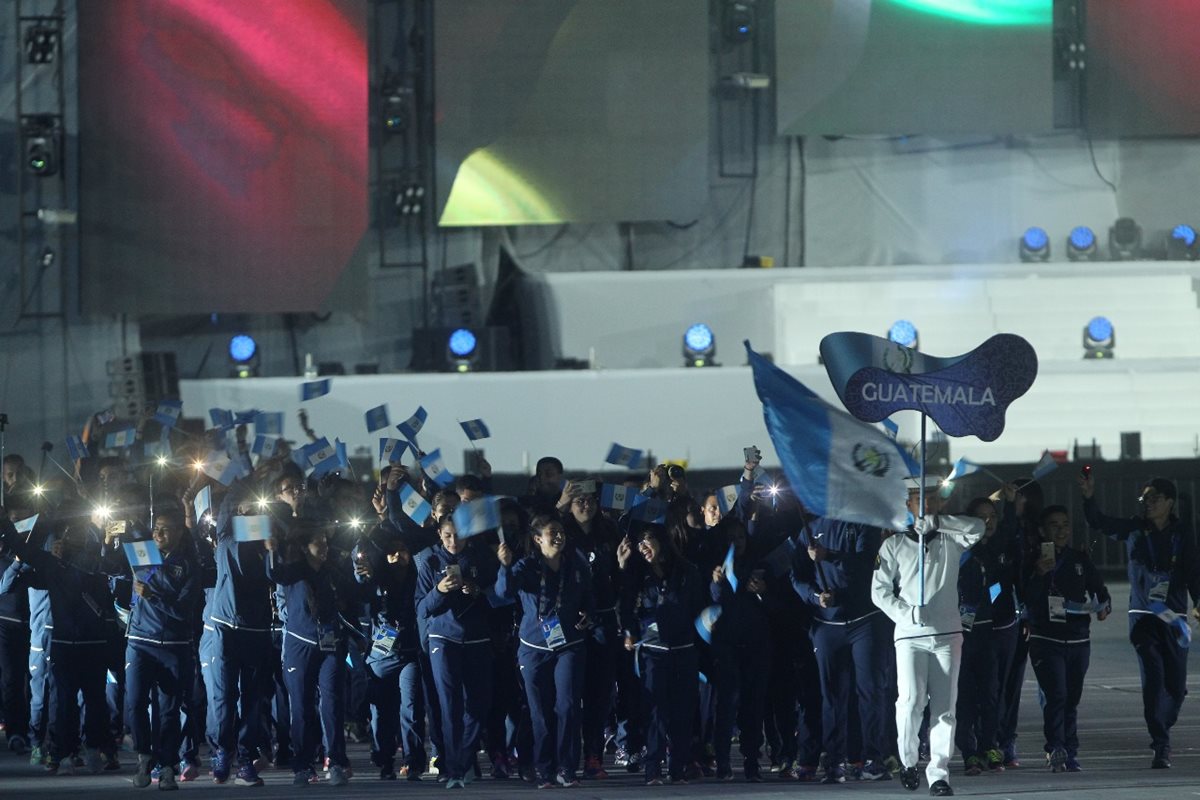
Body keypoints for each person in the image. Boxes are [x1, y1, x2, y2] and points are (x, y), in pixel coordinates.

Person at [871, 476, 984, 797]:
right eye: (919, 499)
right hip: (910, 634)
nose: (927, 504)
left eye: (933, 498)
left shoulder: (951, 538)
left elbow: (977, 527)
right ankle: (908, 760)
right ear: (908, 504)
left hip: (947, 633)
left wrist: (939, 523)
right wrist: (905, 612)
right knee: (910, 701)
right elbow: (879, 591)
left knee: (945, 709)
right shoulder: (894, 544)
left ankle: (939, 774)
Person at [1081, 473, 1200, 768]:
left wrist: (1198, 601)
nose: (1147, 503)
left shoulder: (1182, 533)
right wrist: (1088, 496)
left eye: (1153, 498)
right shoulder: (1135, 529)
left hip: (1174, 617)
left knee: (1176, 688)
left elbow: (1192, 570)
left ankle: (1163, 723)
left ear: (1169, 502)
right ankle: (1161, 744)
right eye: (1144, 498)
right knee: (1153, 679)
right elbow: (1099, 522)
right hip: (1143, 616)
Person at [496, 514, 594, 788]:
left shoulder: (575, 563)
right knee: (539, 712)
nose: (559, 536)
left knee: (568, 706)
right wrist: (504, 567)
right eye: (553, 532)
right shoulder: (525, 566)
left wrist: (589, 613)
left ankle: (566, 768)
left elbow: (589, 595)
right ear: (538, 539)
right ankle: (543, 768)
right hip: (534, 647)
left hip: (569, 645)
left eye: (561, 531)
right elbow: (503, 594)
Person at [792, 517, 891, 783]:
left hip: (865, 620)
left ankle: (872, 759)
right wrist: (815, 597)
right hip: (827, 625)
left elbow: (868, 564)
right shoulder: (809, 530)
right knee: (832, 695)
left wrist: (830, 555)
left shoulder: (863, 524)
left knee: (870, 690)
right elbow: (797, 575)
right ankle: (834, 762)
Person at [267, 521, 358, 786]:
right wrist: (271, 550)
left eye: (326, 542)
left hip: (332, 644)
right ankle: (303, 765)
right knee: (302, 705)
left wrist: (363, 576)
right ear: (306, 547)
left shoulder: (332, 571)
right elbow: (275, 574)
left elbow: (355, 594)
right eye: (318, 543)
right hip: (300, 645)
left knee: (332, 702)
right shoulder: (294, 571)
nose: (324, 547)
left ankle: (337, 761)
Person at [119, 505, 201, 790]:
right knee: (135, 701)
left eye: (165, 529)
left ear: (179, 532)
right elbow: (111, 568)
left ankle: (167, 766)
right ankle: (144, 755)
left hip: (173, 646)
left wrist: (154, 596)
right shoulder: (143, 552)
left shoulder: (189, 565)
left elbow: (183, 610)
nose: (159, 534)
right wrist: (108, 543)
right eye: (156, 529)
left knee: (169, 710)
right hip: (140, 641)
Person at [617, 523, 705, 786]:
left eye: (648, 540)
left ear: (662, 541)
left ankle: (678, 768)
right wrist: (629, 633)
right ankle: (653, 768)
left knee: (682, 711)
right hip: (652, 650)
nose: (643, 546)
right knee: (654, 709)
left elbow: (700, 606)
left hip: (683, 649)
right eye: (639, 542)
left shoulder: (687, 571)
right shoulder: (636, 573)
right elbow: (625, 607)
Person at [1025, 505, 1110, 772]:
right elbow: (1024, 596)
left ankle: (1070, 750)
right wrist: (1038, 573)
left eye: (1065, 524)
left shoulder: (1079, 559)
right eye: (1054, 525)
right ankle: (1056, 748)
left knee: (1071, 698)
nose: (1061, 530)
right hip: (1045, 638)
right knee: (1056, 695)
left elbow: (1099, 590)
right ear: (1042, 530)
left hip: (1078, 639)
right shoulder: (1031, 558)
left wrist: (1104, 606)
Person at [415, 516, 497, 789]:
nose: (453, 541)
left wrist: (477, 590)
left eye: (458, 535)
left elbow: (498, 595)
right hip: (443, 637)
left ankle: (465, 756)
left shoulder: (481, 558)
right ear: (440, 534)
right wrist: (439, 591)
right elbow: (421, 608)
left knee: (478, 703)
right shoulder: (430, 562)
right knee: (450, 705)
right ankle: (454, 769)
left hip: (476, 637)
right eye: (448, 535)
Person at [354, 526, 426, 781]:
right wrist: (364, 575)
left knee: (411, 706)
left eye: (402, 550)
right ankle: (385, 760)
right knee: (382, 710)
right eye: (392, 551)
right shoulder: (377, 579)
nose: (398, 555)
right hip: (382, 651)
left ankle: (413, 761)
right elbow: (361, 593)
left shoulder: (419, 576)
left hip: (410, 651)